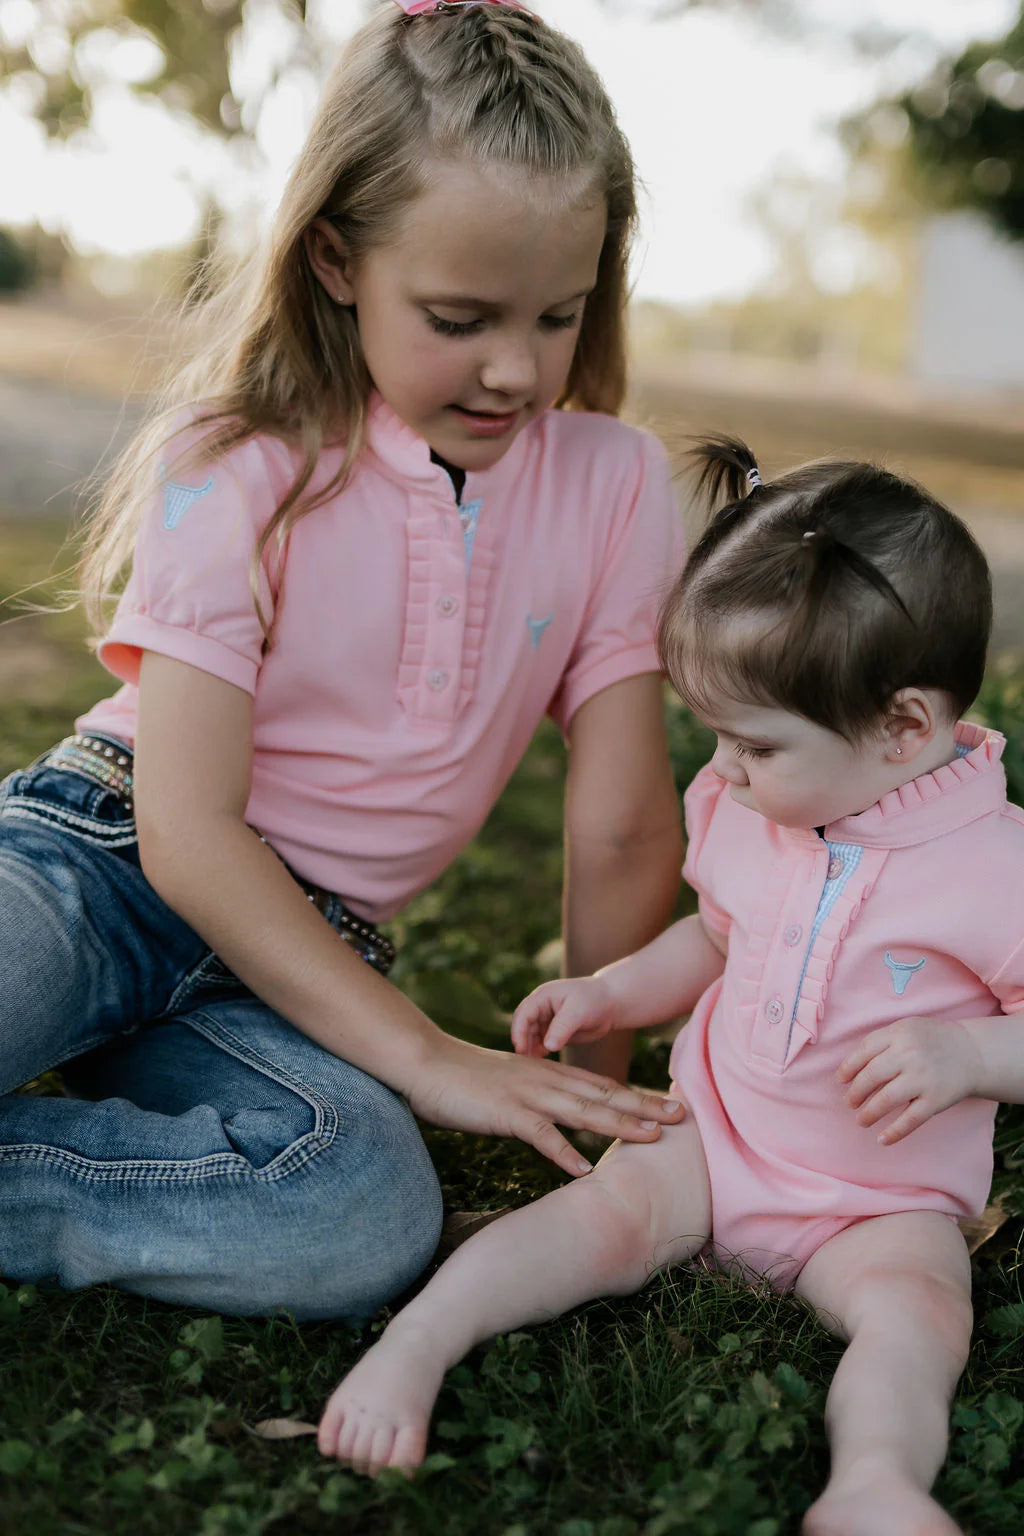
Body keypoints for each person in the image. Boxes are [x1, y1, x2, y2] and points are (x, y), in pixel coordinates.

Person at [0, 0, 689, 1321]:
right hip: (99, 865)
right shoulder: (239, 460)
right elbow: (186, 837)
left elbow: (619, 826)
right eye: (459, 314)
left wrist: (595, 1116)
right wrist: (428, 1060)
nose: (513, 367)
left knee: (357, 1207)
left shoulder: (615, 483)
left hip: (300, 963)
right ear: (334, 260)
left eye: (559, 315)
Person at [319, 437, 1024, 1536]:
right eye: (716, 737)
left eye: (754, 746)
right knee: (601, 1215)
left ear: (903, 728)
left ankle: (874, 1482)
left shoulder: (994, 871)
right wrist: (613, 989)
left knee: (919, 1314)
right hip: (718, 1134)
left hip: (877, 1198)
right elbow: (717, 933)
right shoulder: (749, 807)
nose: (724, 773)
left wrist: (971, 1055)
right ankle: (419, 1341)